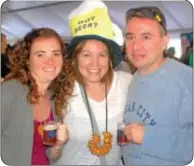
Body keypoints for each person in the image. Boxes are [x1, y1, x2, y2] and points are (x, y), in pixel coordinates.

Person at [54, 1, 132, 165]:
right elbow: (48, 155)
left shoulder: (127, 83)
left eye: (102, 55)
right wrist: (57, 145)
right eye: (86, 54)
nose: (94, 64)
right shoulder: (61, 88)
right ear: (75, 58)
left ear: (110, 59)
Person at [122, 6, 193, 165]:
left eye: (146, 37)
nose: (135, 46)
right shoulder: (131, 80)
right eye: (130, 37)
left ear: (164, 42)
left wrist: (149, 137)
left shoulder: (187, 80)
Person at [1, 28, 75, 165]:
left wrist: (58, 144)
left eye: (56, 54)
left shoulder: (55, 97)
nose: (50, 62)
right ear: (27, 60)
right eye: (41, 55)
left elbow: (51, 156)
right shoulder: (8, 92)